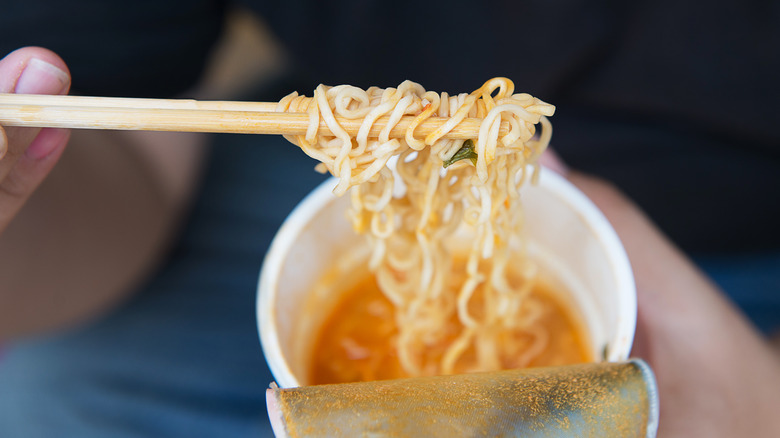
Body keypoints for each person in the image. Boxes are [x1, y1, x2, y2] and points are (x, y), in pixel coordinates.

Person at [1, 1, 779, 436]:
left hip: (754, 236)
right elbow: (124, 149)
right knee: (36, 398)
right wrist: (14, 192)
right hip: (367, 166)